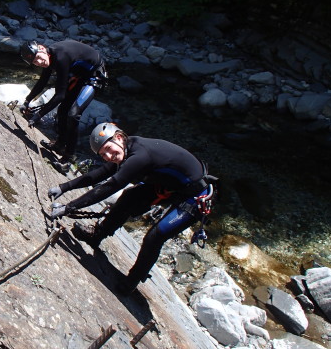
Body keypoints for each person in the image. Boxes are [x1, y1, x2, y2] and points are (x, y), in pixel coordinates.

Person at [47, 122, 217, 294]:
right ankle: (96, 235)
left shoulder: (140, 156)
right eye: (103, 154)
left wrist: (68, 207)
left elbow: (109, 187)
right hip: (172, 186)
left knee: (155, 237)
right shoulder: (126, 150)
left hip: (196, 197)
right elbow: (98, 175)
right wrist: (64, 187)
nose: (108, 156)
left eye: (108, 149)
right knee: (129, 197)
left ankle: (132, 281)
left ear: (119, 138)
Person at [19, 40, 107, 172]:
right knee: (62, 110)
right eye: (35, 63)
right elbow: (42, 82)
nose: (39, 62)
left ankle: (68, 158)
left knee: (73, 115)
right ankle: (60, 145)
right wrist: (27, 101)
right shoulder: (49, 58)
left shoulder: (60, 57)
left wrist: (38, 116)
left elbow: (59, 95)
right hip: (79, 76)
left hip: (95, 77)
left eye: (38, 58)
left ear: (42, 49)